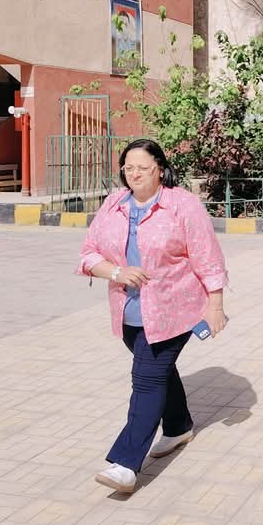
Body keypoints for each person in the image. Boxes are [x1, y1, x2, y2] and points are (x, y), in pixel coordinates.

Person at [78, 139, 229, 494]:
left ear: (160, 168)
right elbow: (88, 254)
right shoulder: (114, 204)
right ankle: (178, 426)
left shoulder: (183, 205)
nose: (134, 175)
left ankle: (125, 464)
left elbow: (208, 257)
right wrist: (117, 272)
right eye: (128, 168)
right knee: (159, 372)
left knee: (145, 379)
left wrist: (215, 306)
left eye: (142, 168)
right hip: (128, 312)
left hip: (172, 310)